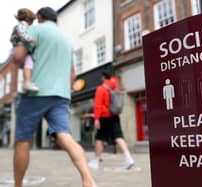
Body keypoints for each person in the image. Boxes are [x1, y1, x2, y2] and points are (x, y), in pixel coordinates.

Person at [12, 7, 98, 187]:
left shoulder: (34, 29)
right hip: (61, 95)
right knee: (65, 137)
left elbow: (18, 57)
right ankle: (88, 180)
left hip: (36, 92)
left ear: (40, 18)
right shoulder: (66, 40)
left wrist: (23, 62)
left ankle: (18, 185)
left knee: (22, 140)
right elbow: (72, 75)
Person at [88, 72, 134, 170]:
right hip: (115, 115)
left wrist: (96, 119)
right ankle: (129, 158)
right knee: (119, 137)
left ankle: (96, 161)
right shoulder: (115, 86)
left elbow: (98, 105)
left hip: (104, 116)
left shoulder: (101, 89)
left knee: (99, 138)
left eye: (101, 77)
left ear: (103, 77)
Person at [10, 8, 39, 92]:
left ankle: (27, 82)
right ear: (29, 19)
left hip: (18, 47)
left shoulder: (22, 24)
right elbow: (21, 33)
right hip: (18, 47)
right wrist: (30, 39)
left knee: (28, 65)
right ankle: (27, 82)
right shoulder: (22, 24)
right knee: (28, 64)